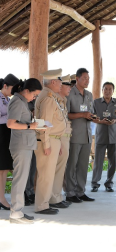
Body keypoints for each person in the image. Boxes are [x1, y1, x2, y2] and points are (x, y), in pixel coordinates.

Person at [7, 78, 43, 224]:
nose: (34, 98)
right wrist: (30, 126)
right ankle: (15, 213)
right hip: (21, 145)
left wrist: (32, 124)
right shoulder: (17, 101)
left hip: (25, 144)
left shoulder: (23, 101)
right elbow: (11, 124)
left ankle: (18, 211)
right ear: (26, 90)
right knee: (20, 179)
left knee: (22, 179)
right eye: (34, 95)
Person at [34, 69, 67, 214]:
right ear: (53, 82)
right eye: (60, 82)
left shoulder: (51, 96)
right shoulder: (48, 98)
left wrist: (57, 141)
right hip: (47, 140)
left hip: (54, 139)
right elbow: (43, 123)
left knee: (49, 174)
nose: (61, 85)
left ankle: (47, 201)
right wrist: (47, 144)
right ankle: (41, 205)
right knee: (45, 175)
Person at [65, 68, 95, 203]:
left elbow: (91, 112)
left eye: (88, 78)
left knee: (83, 165)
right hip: (74, 135)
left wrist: (92, 117)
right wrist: (82, 115)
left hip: (87, 135)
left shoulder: (89, 95)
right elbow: (66, 114)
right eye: (84, 78)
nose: (87, 80)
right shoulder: (69, 94)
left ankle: (80, 191)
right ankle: (70, 192)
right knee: (72, 164)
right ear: (77, 79)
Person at [91, 82, 116, 192]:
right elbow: (91, 117)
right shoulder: (96, 102)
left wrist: (115, 120)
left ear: (113, 91)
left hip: (114, 136)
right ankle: (95, 183)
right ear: (102, 90)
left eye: (110, 89)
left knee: (113, 161)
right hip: (101, 135)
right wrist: (100, 121)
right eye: (105, 89)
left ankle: (109, 184)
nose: (107, 91)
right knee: (98, 161)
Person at [0, 74, 20, 210]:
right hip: (0, 132)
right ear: (5, 86)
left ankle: (1, 198)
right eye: (12, 88)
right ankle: (1, 198)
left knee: (5, 168)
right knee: (1, 168)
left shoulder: (8, 99)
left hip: (7, 133)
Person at [55, 74, 72, 204]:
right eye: (67, 86)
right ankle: (55, 198)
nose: (70, 88)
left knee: (61, 170)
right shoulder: (55, 100)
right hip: (59, 139)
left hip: (65, 138)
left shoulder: (62, 101)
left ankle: (57, 196)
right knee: (57, 170)